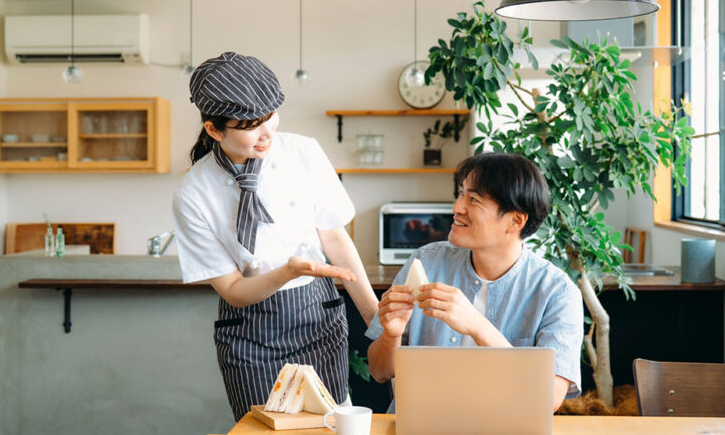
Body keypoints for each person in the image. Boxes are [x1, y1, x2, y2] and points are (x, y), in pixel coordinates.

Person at [172, 52, 378, 421]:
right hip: (250, 333)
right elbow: (234, 290)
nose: (268, 133)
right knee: (265, 429)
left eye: (270, 117)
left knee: (331, 425)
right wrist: (289, 271)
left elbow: (335, 240)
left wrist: (375, 322)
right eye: (251, 125)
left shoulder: (303, 152)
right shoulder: (193, 193)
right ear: (214, 130)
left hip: (319, 319)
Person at [366, 152, 583, 412]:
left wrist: (478, 327)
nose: (457, 207)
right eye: (461, 194)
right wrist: (392, 335)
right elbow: (379, 372)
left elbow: (548, 400)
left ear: (515, 220)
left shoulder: (557, 292)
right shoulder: (427, 261)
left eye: (474, 200)